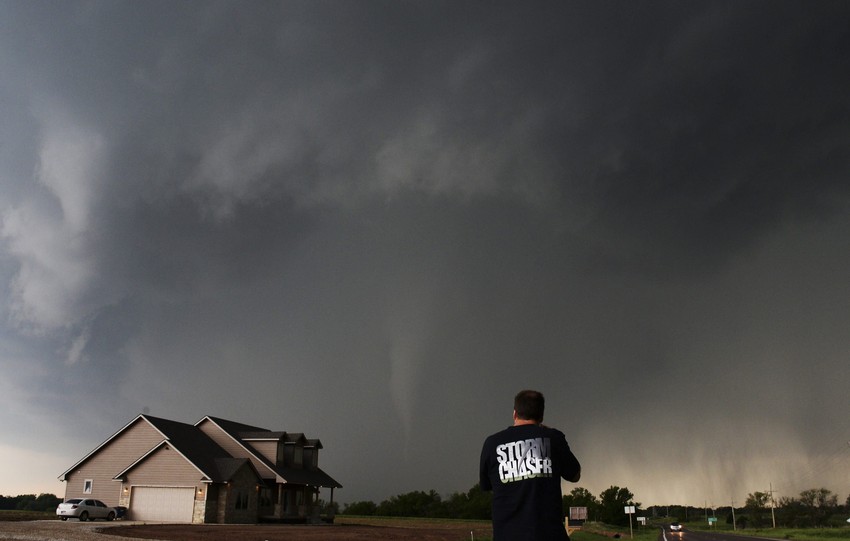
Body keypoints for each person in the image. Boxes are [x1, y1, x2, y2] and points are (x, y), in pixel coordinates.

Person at [479, 389, 581, 540]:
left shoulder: (491, 443)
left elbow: (486, 486)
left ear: (514, 413)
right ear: (541, 417)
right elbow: (575, 475)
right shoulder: (554, 438)